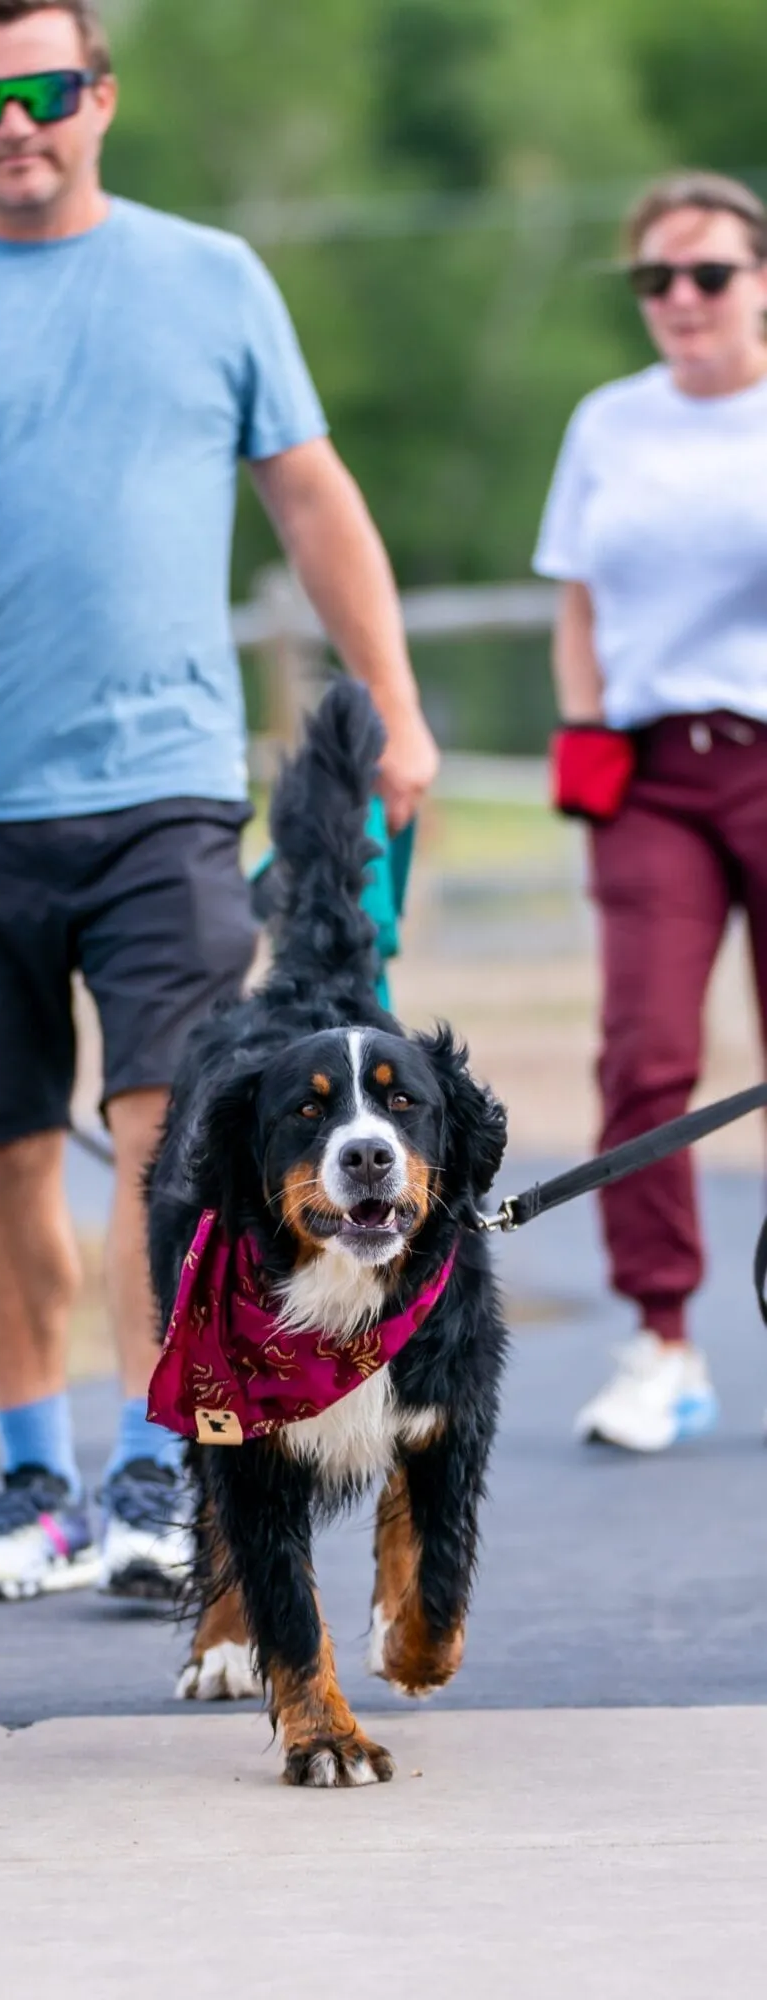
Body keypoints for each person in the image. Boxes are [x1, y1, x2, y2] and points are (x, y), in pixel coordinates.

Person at [0, 0, 439, 1599]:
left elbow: (311, 497)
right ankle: (30, 1484)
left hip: (162, 800)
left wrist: (394, 705)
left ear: (100, 99)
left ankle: (161, 1469)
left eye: (45, 90)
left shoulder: (209, 279)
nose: (15, 123)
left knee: (167, 1143)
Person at [534, 171, 767, 1453]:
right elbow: (577, 593)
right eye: (655, 280)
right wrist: (582, 726)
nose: (680, 299)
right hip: (650, 771)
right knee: (642, 1053)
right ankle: (660, 1337)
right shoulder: (607, 423)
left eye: (708, 275)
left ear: (759, 282)